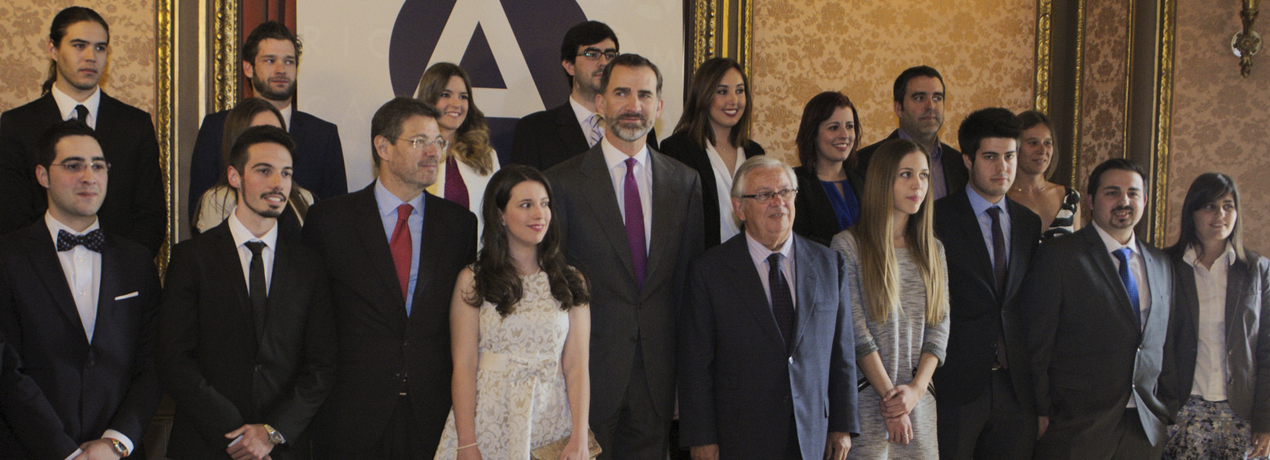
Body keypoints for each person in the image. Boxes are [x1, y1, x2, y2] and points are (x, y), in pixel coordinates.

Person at [544, 53, 704, 459]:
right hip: (583, 378)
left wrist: (687, 383)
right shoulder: (560, 183)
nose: (634, 106)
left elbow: (689, 287)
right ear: (600, 103)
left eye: (644, 95)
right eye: (621, 93)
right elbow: (551, 290)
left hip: (658, 379)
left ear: (659, 107)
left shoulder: (685, 183)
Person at [303, 98, 477, 458]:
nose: (433, 152)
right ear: (383, 146)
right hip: (349, 417)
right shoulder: (330, 221)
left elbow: (464, 327)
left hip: (431, 416)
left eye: (438, 142)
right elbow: (310, 323)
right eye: (419, 142)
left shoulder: (460, 225)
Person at [159, 126, 336, 460]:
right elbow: (174, 359)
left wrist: (271, 432)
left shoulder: (309, 265)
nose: (278, 183)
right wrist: (240, 435)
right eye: (264, 170)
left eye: (286, 173)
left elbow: (322, 365)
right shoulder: (191, 258)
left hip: (282, 448)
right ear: (234, 176)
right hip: (205, 444)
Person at [0, 121, 162, 459]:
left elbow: (153, 363)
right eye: (74, 165)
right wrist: (67, 453)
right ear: (43, 175)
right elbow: (6, 369)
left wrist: (116, 443)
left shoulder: (136, 260)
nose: (89, 176)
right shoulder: (8, 257)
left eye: (98, 165)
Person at [678, 156, 858, 459]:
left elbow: (842, 353)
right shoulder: (709, 271)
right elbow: (696, 364)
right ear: (739, 208)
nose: (779, 202)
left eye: (786, 192)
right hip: (740, 436)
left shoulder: (829, 263)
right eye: (764, 195)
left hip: (811, 433)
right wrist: (701, 437)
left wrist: (842, 425)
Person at [1021, 158, 1182, 459]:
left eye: (1133, 193)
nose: (1124, 201)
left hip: (1143, 429)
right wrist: (1040, 410)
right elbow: (1036, 344)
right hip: (1076, 428)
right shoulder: (1059, 256)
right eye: (1113, 192)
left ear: (1145, 200)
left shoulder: (1161, 264)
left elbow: (1166, 341)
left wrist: (1167, 407)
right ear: (1092, 201)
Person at [434, 165, 592, 459]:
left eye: (545, 204)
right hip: (489, 420)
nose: (539, 214)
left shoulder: (571, 280)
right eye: (526, 205)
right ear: (500, 215)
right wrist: (467, 443)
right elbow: (465, 365)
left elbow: (577, 365)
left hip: (552, 420)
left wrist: (579, 436)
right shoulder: (473, 280)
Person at [0, 6, 166, 254]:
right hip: (38, 278)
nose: (91, 56)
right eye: (79, 45)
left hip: (118, 275)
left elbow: (151, 216)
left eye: (100, 47)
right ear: (53, 49)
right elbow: (11, 216)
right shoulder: (17, 124)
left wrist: (122, 272)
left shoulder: (135, 124)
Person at [931, 108, 1042, 459]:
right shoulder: (936, 218)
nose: (1002, 167)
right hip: (956, 384)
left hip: (1015, 388)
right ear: (967, 159)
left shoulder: (1028, 223)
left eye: (1009, 156)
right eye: (990, 157)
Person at [830, 139, 949, 459]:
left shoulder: (933, 249)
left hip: (919, 406)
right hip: (868, 405)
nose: (917, 185)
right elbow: (854, 330)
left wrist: (915, 392)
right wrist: (892, 403)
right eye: (906, 174)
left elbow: (939, 327)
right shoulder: (848, 246)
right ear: (883, 180)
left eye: (924, 175)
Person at [189, 21, 346, 221]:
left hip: (304, 251)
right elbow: (199, 210)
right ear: (248, 68)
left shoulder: (323, 135)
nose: (281, 69)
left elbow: (337, 219)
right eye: (270, 61)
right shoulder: (216, 128)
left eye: (289, 61)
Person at [1163, 173, 1270, 460]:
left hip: (1241, 413)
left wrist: (1266, 420)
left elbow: (1267, 351)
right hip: (1183, 410)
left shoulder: (1257, 270)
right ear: (1192, 212)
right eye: (1209, 206)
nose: (1219, 215)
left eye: (1228, 205)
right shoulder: (1165, 266)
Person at [510, 21, 656, 171]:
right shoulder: (535, 130)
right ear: (569, 65)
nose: (603, 63)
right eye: (592, 54)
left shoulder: (636, 123)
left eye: (610, 55)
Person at [661, 57, 766, 249]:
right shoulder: (677, 149)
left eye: (740, 91)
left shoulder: (755, 152)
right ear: (703, 95)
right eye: (722, 91)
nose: (733, 100)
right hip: (700, 266)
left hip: (749, 264)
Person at [191, 97, 315, 236]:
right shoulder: (218, 200)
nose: (270, 145)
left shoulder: (304, 198)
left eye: (277, 135)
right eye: (260, 136)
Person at [414, 62, 500, 240]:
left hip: (478, 260)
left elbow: (498, 215)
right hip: (426, 259)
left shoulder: (486, 156)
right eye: (446, 95)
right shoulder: (412, 153)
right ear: (428, 98)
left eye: (463, 96)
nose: (456, 104)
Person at [853, 66, 965, 201]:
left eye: (937, 98)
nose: (930, 106)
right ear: (898, 108)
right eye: (919, 98)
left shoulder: (961, 164)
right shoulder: (865, 163)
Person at [792, 91, 866, 247]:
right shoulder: (793, 185)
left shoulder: (865, 179)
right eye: (833, 127)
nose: (844, 135)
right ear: (813, 133)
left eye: (849, 126)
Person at [1007, 110, 1081, 239]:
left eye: (1047, 143)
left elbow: (1076, 254)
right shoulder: (999, 199)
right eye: (1033, 143)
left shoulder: (1070, 198)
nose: (1042, 150)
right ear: (1014, 147)